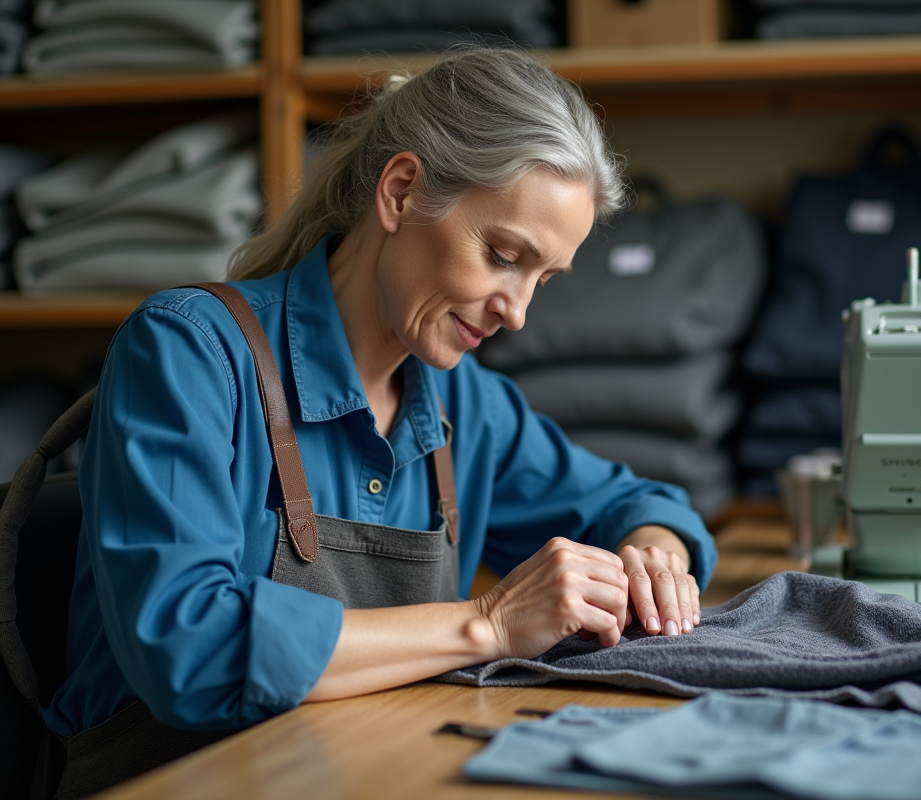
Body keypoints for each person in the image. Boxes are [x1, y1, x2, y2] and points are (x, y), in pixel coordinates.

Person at [40, 47, 718, 798]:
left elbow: (637, 505)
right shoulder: (188, 353)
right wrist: (487, 624)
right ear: (400, 192)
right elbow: (188, 646)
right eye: (501, 256)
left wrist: (657, 553)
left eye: (542, 280)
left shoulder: (466, 406)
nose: (518, 312)